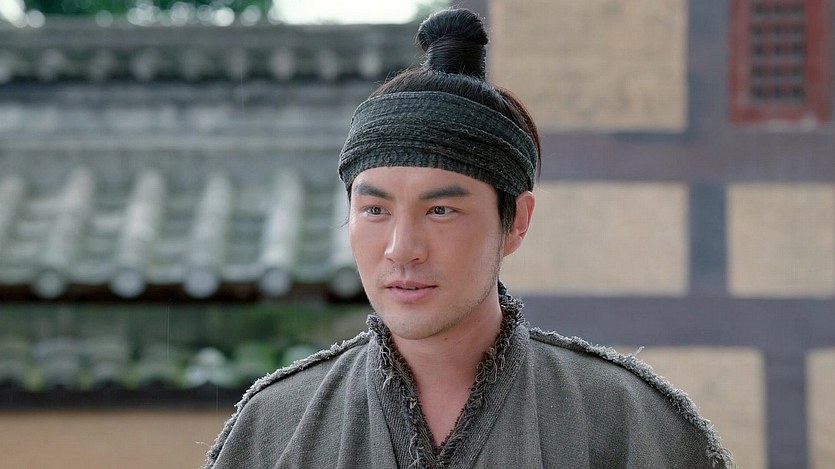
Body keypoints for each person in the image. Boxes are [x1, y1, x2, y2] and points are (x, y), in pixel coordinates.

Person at [203, 8, 734, 469]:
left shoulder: (627, 419)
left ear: (516, 222)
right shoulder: (276, 426)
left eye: (441, 210)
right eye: (375, 210)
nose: (401, 248)